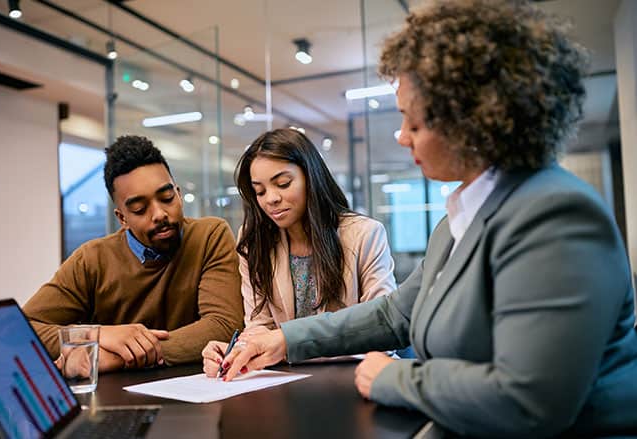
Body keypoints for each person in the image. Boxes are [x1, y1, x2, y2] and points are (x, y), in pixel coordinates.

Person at [212, 1, 637, 437]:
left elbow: (528, 400)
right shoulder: (462, 217)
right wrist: (283, 339)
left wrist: (394, 378)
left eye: (414, 122)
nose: (401, 136)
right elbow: (397, 314)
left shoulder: (556, 215)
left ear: (474, 119)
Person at [24, 135, 243, 373]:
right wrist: (95, 335)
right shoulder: (92, 260)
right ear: (122, 218)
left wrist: (113, 358)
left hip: (200, 395)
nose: (159, 214)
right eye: (140, 208)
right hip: (117, 400)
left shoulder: (210, 235)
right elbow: (21, 331)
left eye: (167, 198)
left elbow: (223, 325)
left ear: (178, 195)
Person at [202, 128, 396, 375]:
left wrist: (288, 345)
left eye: (283, 184)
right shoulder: (253, 242)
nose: (270, 199)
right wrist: (240, 349)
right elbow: (260, 326)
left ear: (310, 177)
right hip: (283, 383)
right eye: (259, 191)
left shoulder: (365, 234)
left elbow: (382, 331)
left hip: (354, 378)